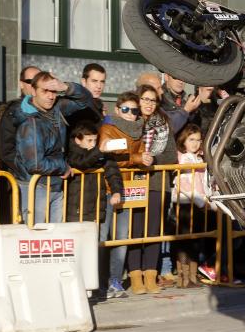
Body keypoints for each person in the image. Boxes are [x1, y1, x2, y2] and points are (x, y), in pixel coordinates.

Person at [10, 71, 92, 224]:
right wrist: (64, 167)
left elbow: (86, 99)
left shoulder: (57, 108)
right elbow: (35, 164)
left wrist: (66, 87)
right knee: (36, 239)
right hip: (35, 185)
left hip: (55, 184)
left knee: (55, 240)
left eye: (53, 91)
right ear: (33, 91)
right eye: (45, 91)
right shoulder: (29, 122)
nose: (50, 96)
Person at [126, 84, 178, 294]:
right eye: (145, 99)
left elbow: (171, 155)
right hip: (134, 182)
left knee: (153, 230)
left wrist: (152, 158)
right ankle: (135, 275)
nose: (148, 104)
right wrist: (138, 159)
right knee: (135, 230)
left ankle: (150, 273)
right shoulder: (131, 120)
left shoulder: (163, 124)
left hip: (157, 183)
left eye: (152, 100)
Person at [99, 91, 152, 295]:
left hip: (128, 188)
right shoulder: (108, 127)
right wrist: (137, 159)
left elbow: (132, 156)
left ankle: (115, 280)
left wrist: (145, 159)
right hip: (107, 187)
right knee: (103, 237)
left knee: (122, 237)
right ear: (117, 110)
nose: (130, 113)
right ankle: (99, 281)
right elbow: (109, 156)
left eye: (134, 110)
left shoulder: (139, 129)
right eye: (126, 109)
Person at [66, 122, 125, 298]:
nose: (93, 144)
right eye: (89, 140)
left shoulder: (100, 153)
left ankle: (94, 285)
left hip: (96, 205)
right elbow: (82, 162)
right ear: (78, 140)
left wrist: (116, 191)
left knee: (95, 245)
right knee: (78, 247)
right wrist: (99, 150)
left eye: (95, 140)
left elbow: (113, 171)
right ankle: (78, 285)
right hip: (77, 206)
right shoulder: (73, 153)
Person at [172, 124, 213, 289]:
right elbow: (184, 184)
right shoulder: (183, 158)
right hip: (185, 204)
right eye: (191, 139)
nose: (195, 143)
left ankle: (192, 276)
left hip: (199, 204)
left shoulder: (199, 158)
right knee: (185, 241)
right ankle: (184, 278)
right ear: (184, 140)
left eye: (198, 140)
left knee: (196, 239)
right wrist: (202, 201)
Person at [68, 63, 107, 128]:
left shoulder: (99, 105)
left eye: (102, 82)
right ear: (84, 82)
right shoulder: (76, 104)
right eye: (94, 81)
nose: (99, 86)